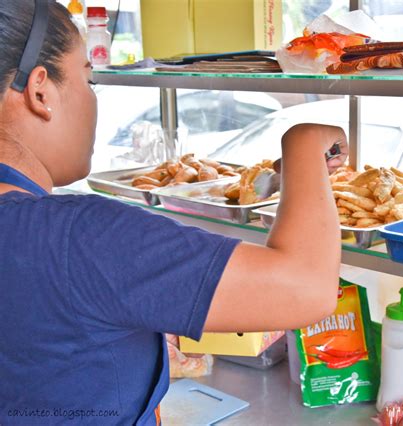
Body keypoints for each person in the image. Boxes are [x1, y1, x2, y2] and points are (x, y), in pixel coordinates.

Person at [0, 1, 348, 425]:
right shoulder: (79, 235)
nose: (92, 97)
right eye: (88, 79)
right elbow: (306, 288)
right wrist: (305, 145)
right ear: (40, 91)